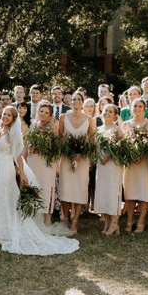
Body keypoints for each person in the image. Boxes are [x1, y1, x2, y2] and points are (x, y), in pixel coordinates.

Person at [0, 106, 79, 255]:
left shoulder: (13, 132)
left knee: (4, 197)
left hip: (6, 169)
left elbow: (18, 155)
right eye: (4, 114)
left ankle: (7, 232)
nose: (5, 117)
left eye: (8, 115)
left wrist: (22, 174)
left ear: (13, 118)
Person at [57, 94, 95, 233]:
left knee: (80, 189)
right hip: (66, 158)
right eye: (74, 100)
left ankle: (75, 221)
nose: (76, 102)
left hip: (82, 160)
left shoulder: (89, 119)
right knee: (66, 188)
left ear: (83, 103)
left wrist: (82, 152)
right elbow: (60, 137)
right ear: (70, 102)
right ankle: (66, 218)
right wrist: (66, 151)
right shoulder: (63, 118)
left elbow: (92, 140)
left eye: (79, 100)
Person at [26, 101, 61, 229]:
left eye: (46, 113)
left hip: (46, 162)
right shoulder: (33, 125)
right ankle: (33, 215)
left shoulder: (52, 127)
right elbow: (28, 143)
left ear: (50, 115)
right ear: (38, 112)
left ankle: (47, 218)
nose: (43, 114)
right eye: (41, 111)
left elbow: (55, 147)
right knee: (33, 186)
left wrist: (38, 150)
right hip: (33, 161)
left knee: (47, 188)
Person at [122, 98, 148, 233]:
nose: (136, 108)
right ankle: (130, 221)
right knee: (130, 192)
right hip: (130, 163)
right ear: (131, 108)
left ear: (144, 109)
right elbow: (122, 144)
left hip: (144, 163)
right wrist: (130, 154)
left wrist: (142, 155)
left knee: (144, 191)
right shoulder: (125, 125)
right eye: (134, 106)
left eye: (139, 106)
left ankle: (141, 221)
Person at [95, 105, 124, 235]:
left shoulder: (116, 129)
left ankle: (114, 224)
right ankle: (106, 223)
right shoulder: (99, 129)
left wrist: (110, 154)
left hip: (113, 165)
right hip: (101, 165)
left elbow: (123, 147)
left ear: (115, 115)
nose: (107, 113)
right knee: (104, 192)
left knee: (113, 193)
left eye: (110, 111)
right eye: (105, 110)